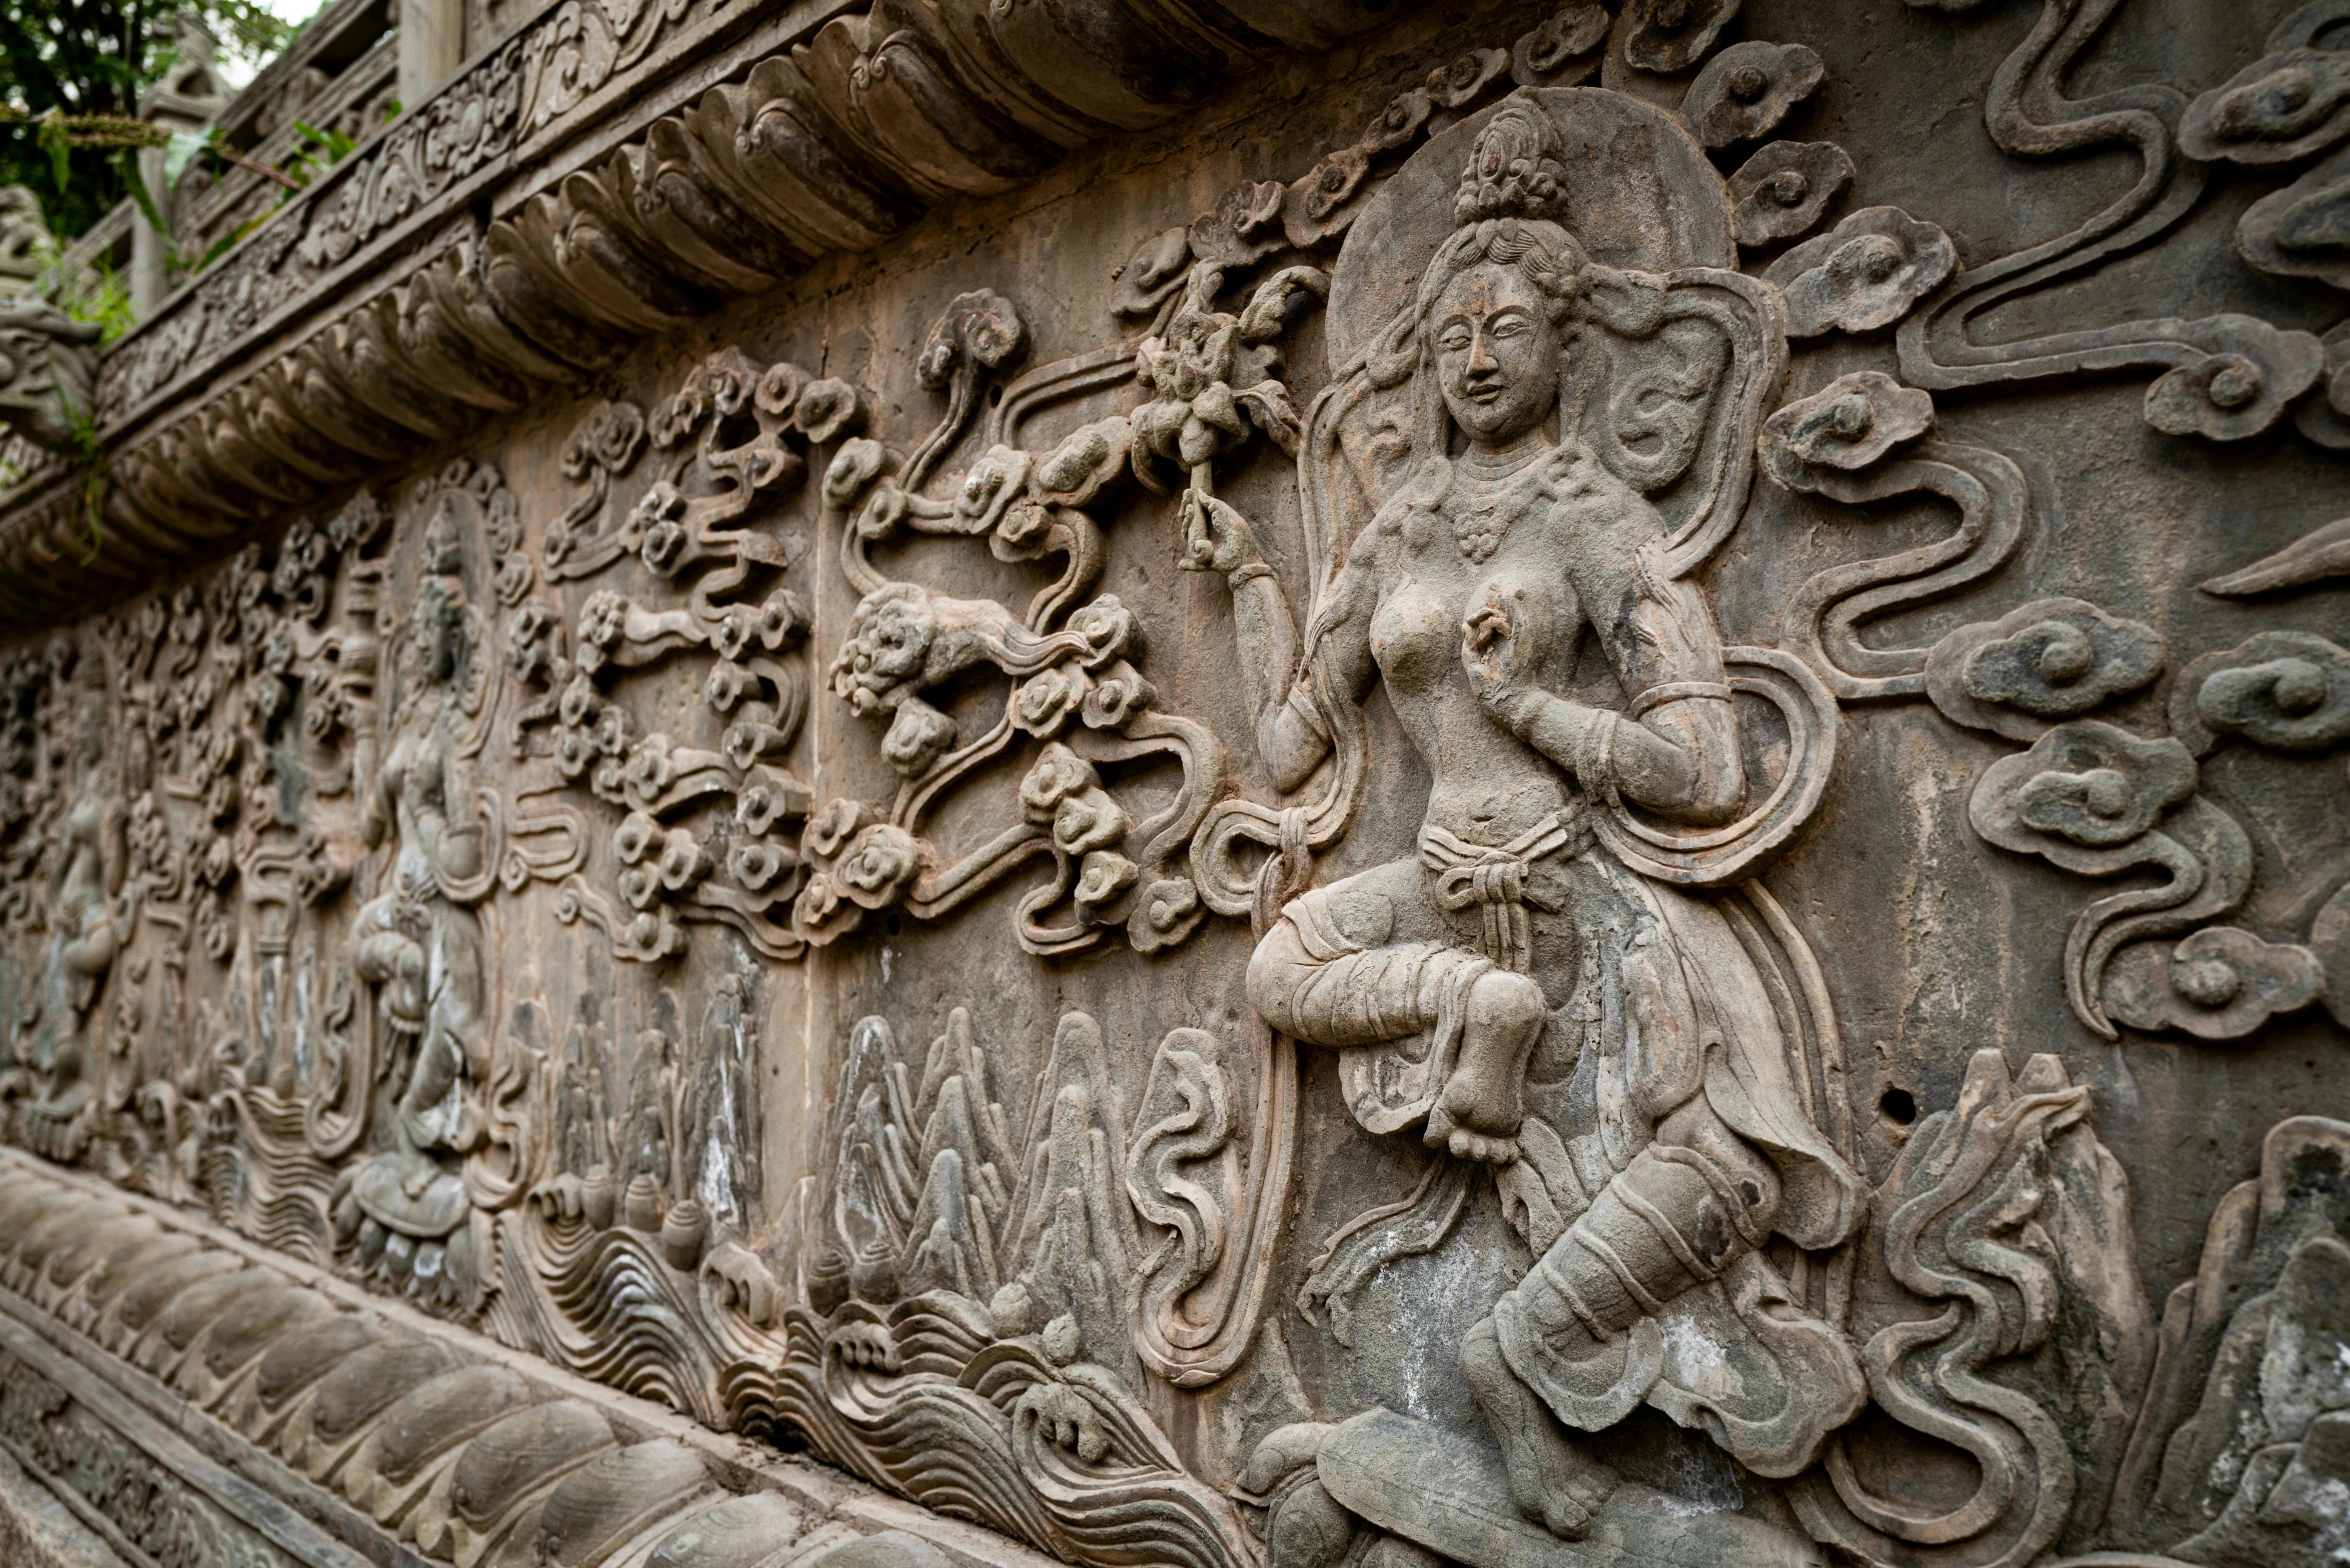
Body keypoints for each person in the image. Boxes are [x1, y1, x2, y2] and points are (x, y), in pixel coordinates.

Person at [1185, 101, 1866, 1539]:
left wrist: (1532, 709)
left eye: (1505, 328)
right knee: (1276, 964)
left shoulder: (1598, 518)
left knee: (1733, 1170)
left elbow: (1703, 769)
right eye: (1450, 337)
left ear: (1574, 345)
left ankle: (1522, 1355)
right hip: (1440, 893)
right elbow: (1298, 736)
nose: (1478, 356)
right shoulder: (1395, 526)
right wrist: (1252, 585)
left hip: (1572, 884)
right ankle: (1467, 1008)